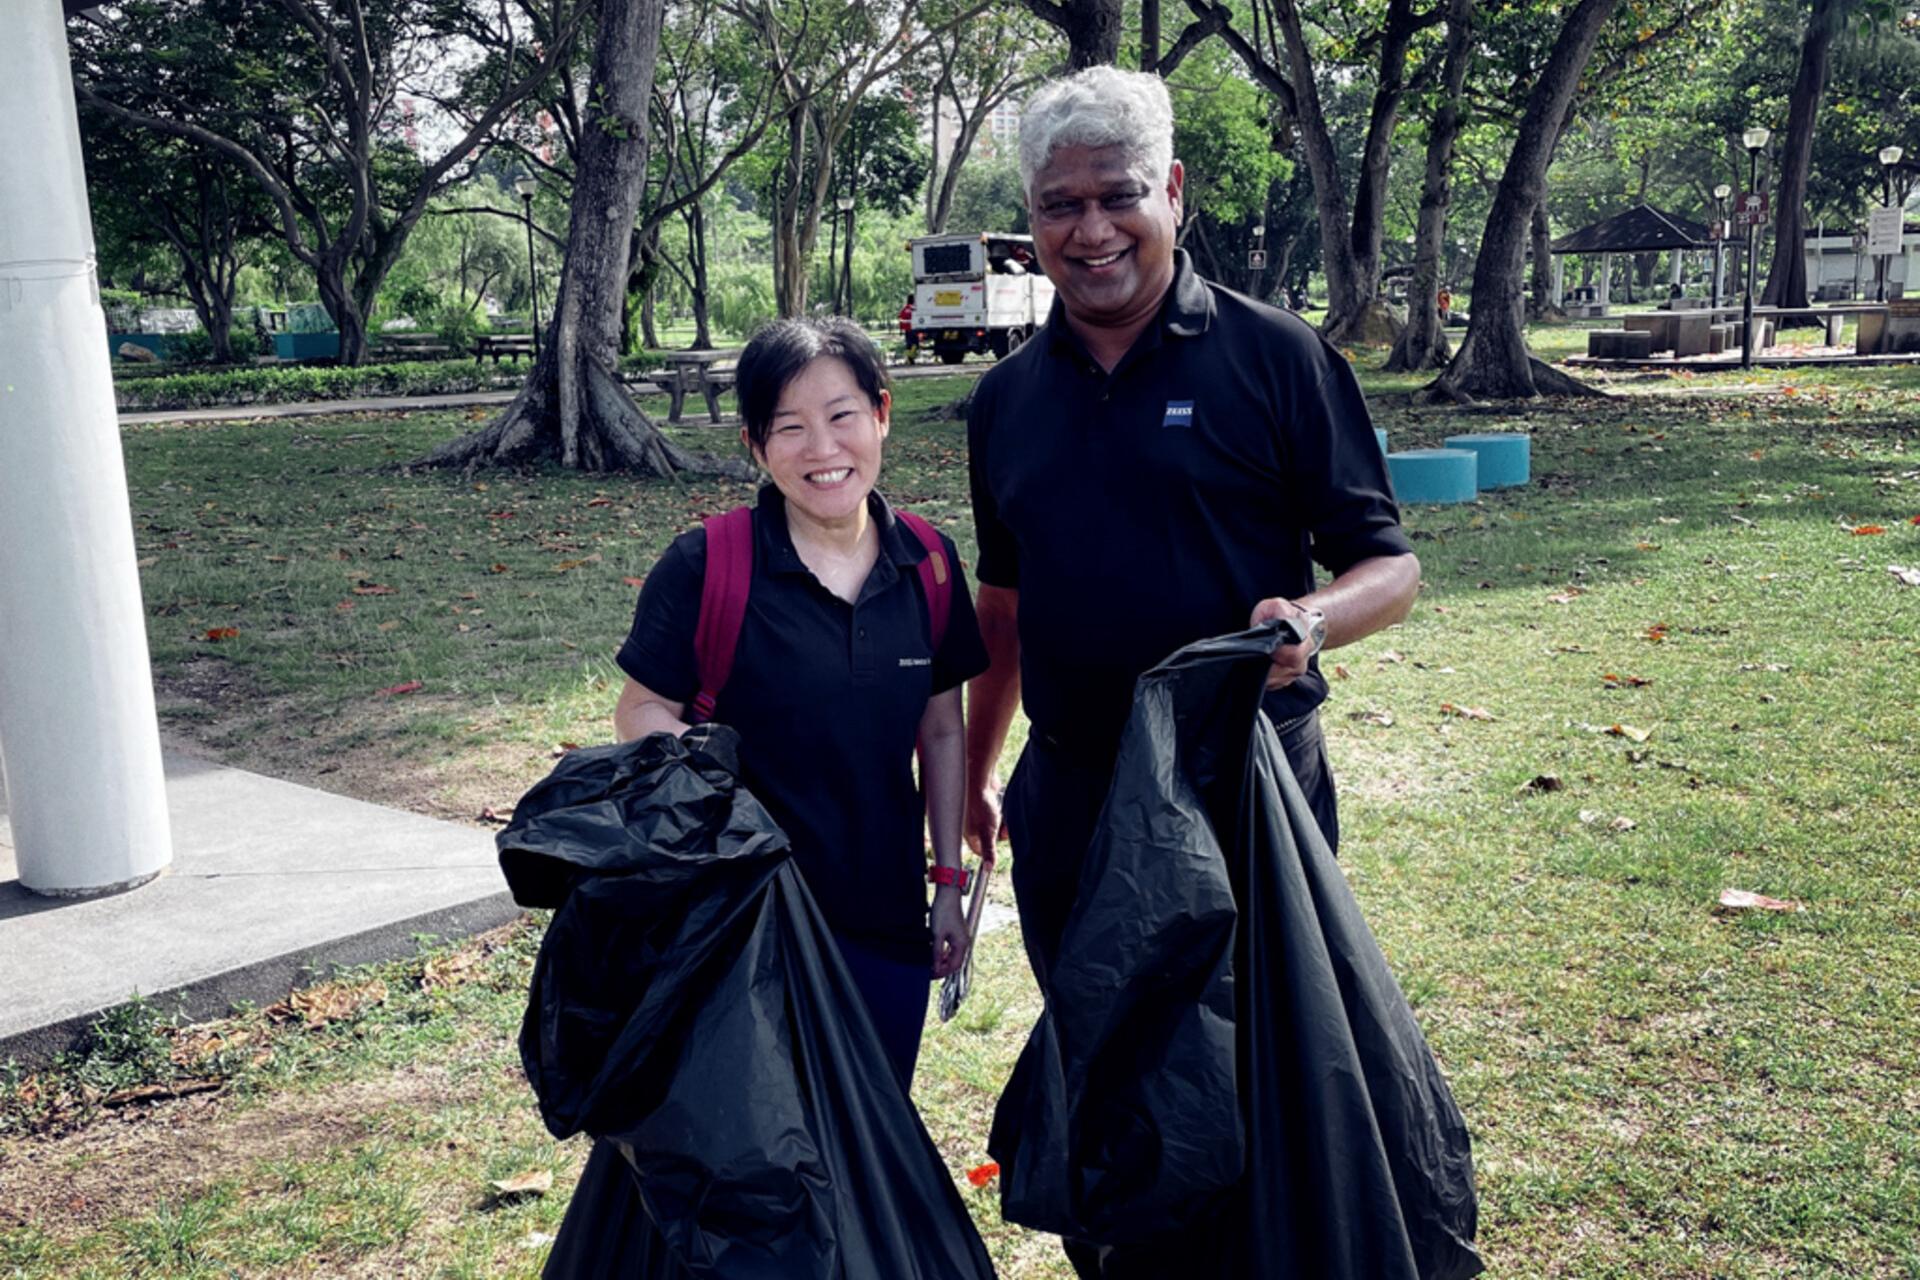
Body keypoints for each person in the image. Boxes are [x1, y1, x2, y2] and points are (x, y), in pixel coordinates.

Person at [963, 65, 1422, 1274]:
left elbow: (1389, 564)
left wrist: (1312, 620)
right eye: (1059, 205)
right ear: (1034, 219)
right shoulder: (1004, 400)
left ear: (1170, 189)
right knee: (1104, 1052)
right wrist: (972, 768)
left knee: (1252, 1052)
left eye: (1116, 195)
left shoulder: (1276, 358)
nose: (1090, 229)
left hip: (1242, 786)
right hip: (1074, 796)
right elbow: (1000, 608)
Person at [615, 316, 989, 1087]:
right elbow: (642, 707)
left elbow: (942, 729)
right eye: (789, 428)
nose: (822, 450)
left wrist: (947, 884)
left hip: (883, 920)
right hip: (740, 928)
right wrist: (686, 760)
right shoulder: (706, 566)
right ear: (756, 446)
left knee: (874, 1133)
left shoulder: (930, 562)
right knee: (759, 1158)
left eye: (842, 416)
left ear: (881, 414)